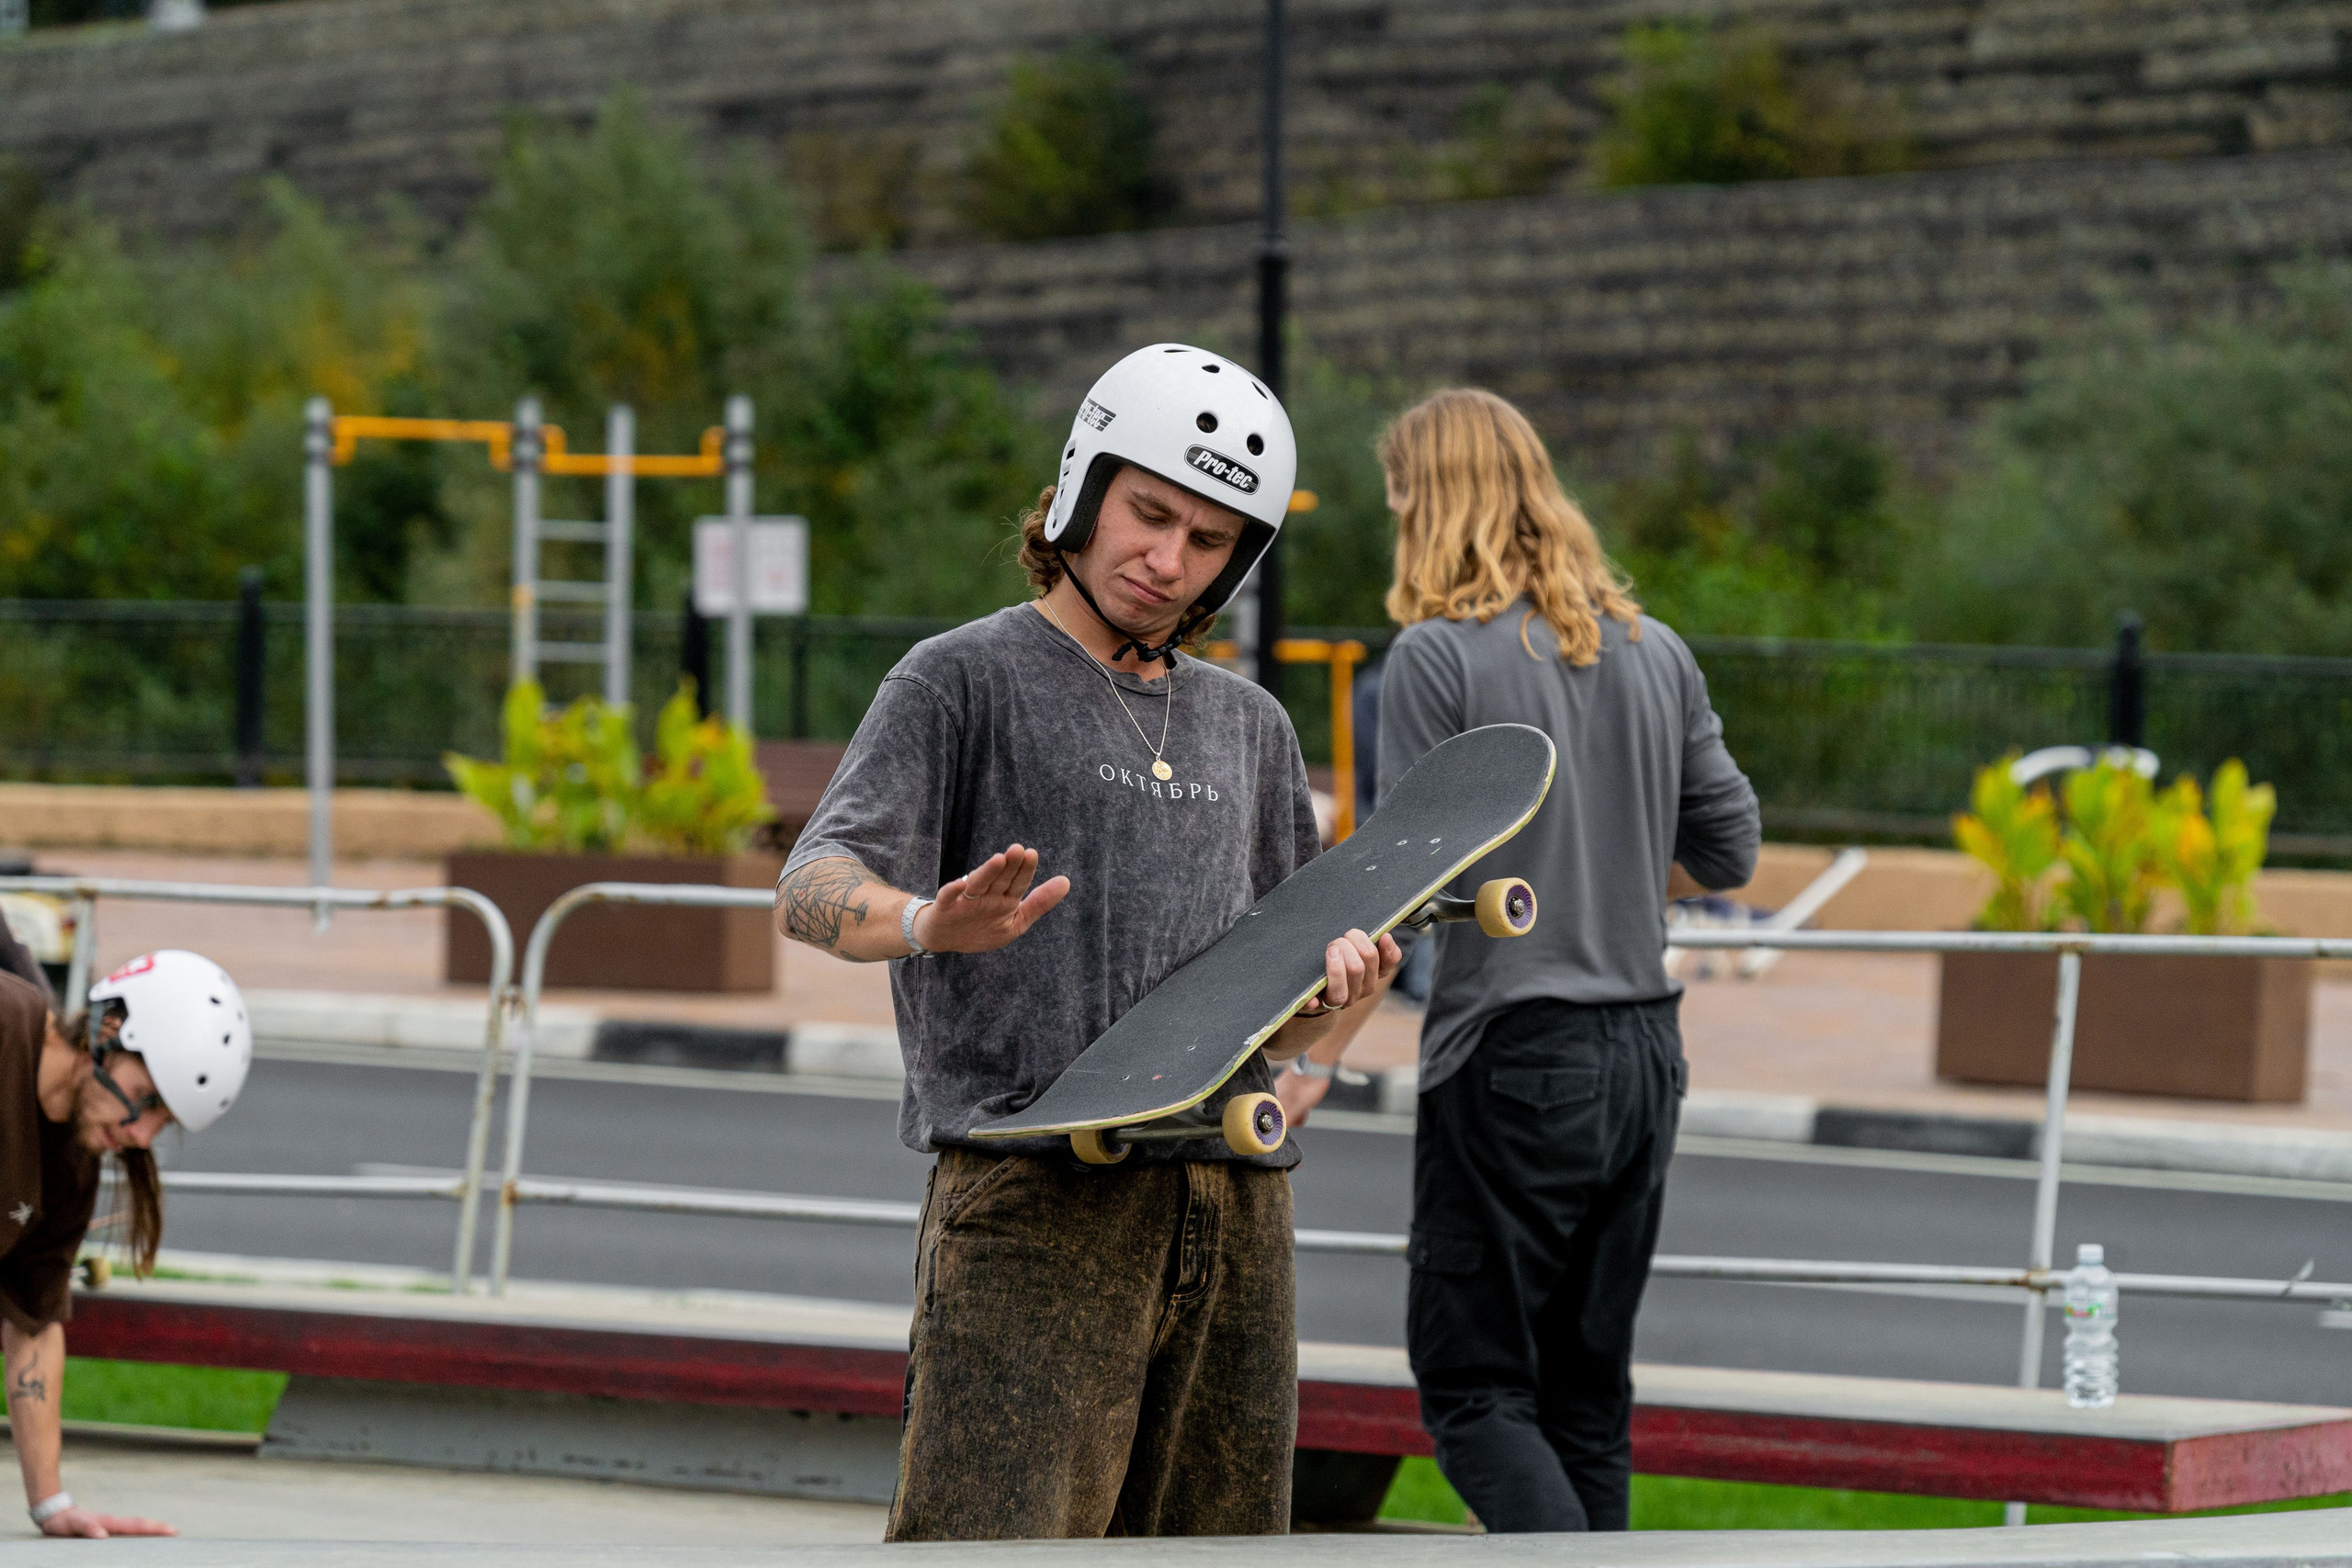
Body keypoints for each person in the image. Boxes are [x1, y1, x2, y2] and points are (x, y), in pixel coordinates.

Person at [773, 343, 1401, 1541]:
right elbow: (811, 881)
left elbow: (1289, 1001)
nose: (1169, 560)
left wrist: (1339, 1001)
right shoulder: (961, 679)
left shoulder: (1251, 727)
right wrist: (922, 921)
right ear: (1080, 488)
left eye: (1210, 539)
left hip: (1231, 1205)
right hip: (1037, 1200)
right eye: (1150, 513)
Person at [1374, 389, 1760, 1533]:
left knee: (1476, 1393)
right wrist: (1612, 856)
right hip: (1645, 1052)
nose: (1391, 521)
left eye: (1398, 498)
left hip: (1512, 1054)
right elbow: (1729, 847)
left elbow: (1404, 882)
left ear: (1433, 501)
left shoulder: (1435, 658)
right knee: (1587, 1400)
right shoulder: (1657, 649)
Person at [4, 947, 254, 1540]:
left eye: (162, 1122)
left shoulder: (71, 1168)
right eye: (143, 1095)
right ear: (107, 1031)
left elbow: (33, 1324)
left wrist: (51, 1502)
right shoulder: (6, 1020)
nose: (140, 1134)